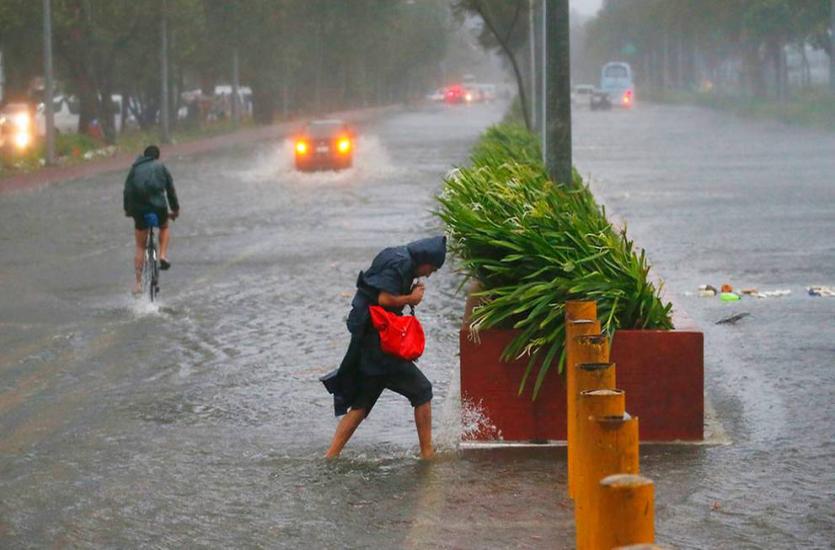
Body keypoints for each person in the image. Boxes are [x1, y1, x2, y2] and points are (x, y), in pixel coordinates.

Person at [324, 236, 447, 460]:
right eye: (432, 269)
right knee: (422, 391)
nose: (429, 274)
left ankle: (331, 455)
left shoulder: (396, 254)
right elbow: (384, 299)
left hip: (369, 339)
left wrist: (407, 294)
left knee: (361, 405)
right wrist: (411, 298)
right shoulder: (402, 263)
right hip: (379, 344)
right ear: (426, 260)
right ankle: (427, 454)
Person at [123, 145, 180, 294]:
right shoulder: (161, 167)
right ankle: (162, 255)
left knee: (140, 246)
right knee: (164, 226)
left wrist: (128, 210)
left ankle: (138, 284)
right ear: (157, 157)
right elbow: (170, 190)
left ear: (144, 156)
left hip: (138, 208)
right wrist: (175, 210)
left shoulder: (134, 168)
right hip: (158, 206)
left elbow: (127, 190)